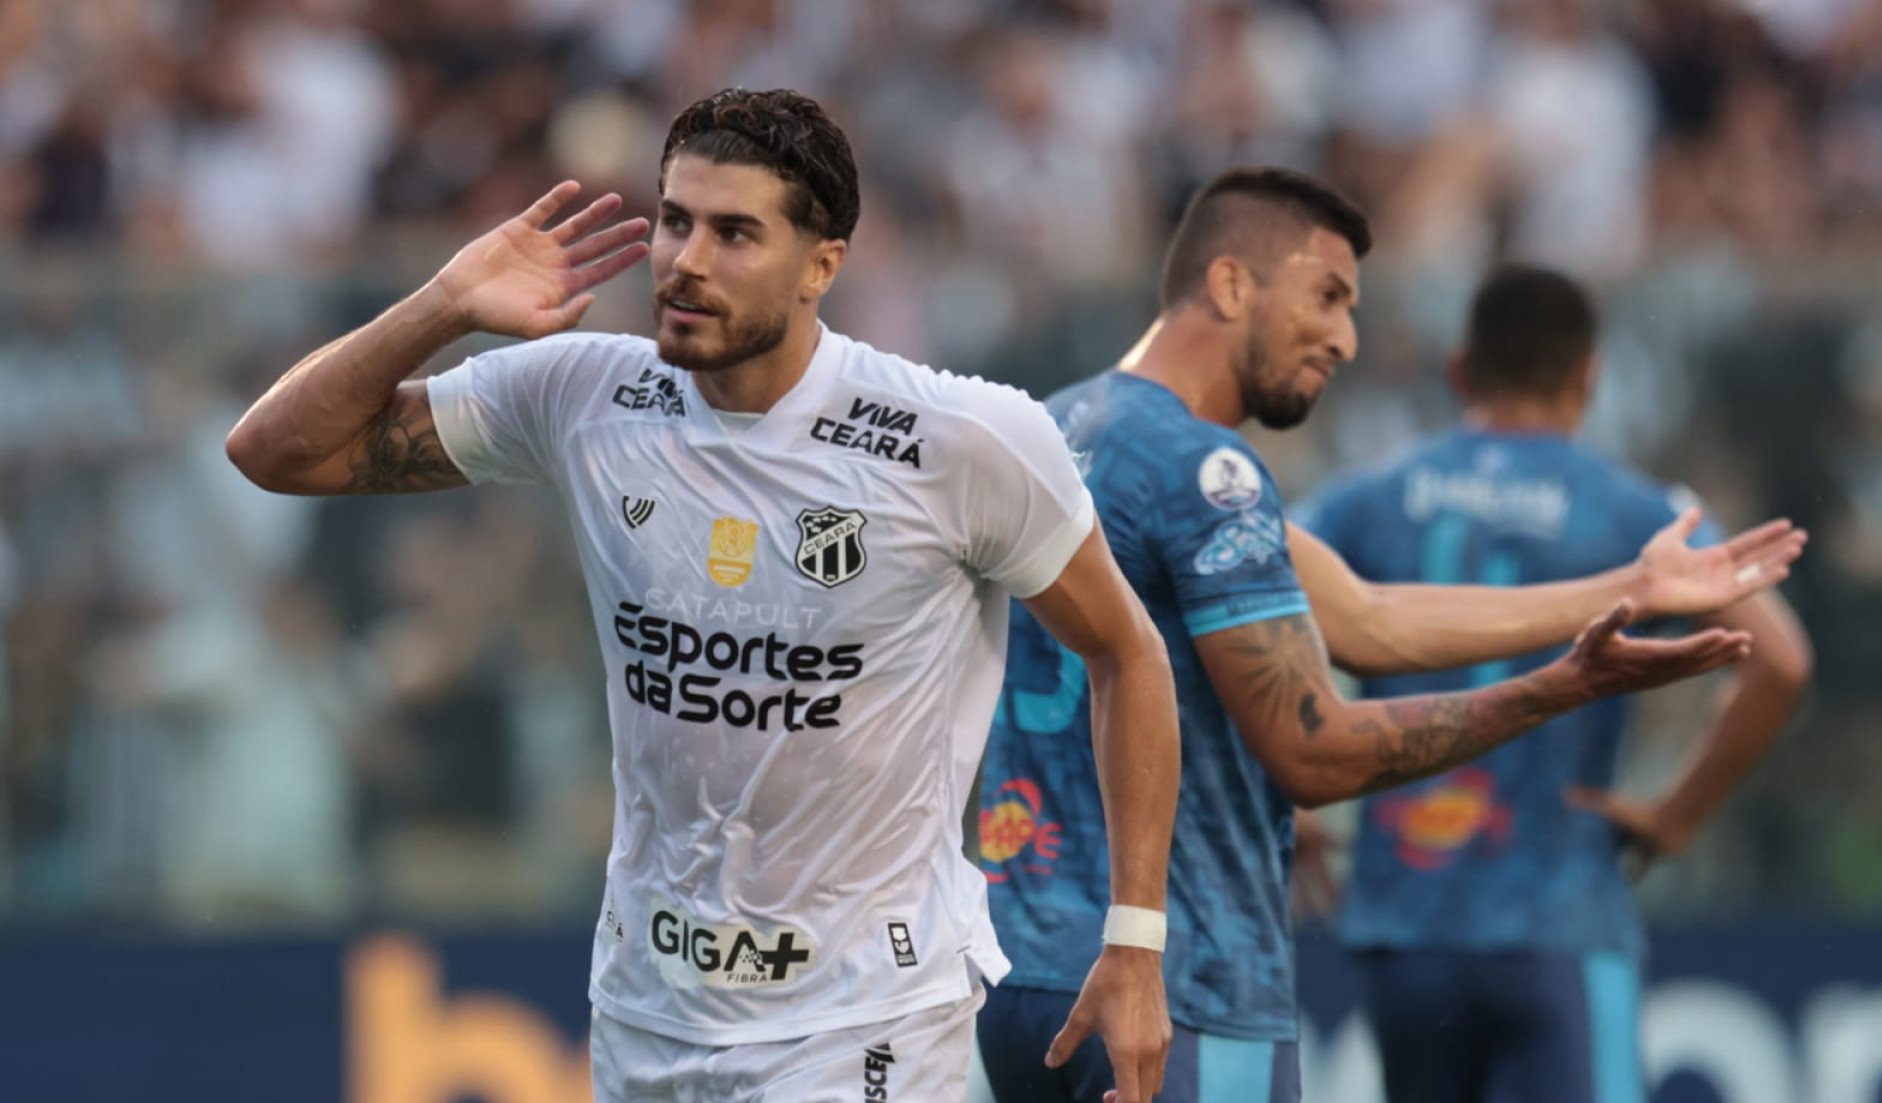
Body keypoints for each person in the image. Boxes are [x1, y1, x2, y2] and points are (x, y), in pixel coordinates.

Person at [226, 88, 1184, 1103]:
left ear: (824, 263)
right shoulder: (584, 393)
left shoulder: (960, 440)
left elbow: (1128, 650)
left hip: (866, 1015)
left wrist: (1134, 941)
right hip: (648, 1008)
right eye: (675, 221)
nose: (686, 260)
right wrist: (445, 305)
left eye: (735, 234)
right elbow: (274, 450)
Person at [972, 168, 1802, 1103]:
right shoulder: (1207, 470)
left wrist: (1631, 588)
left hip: (1022, 973)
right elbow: (1314, 750)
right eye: (1327, 297)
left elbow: (1364, 618)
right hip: (1177, 985)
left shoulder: (1044, 429)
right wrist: (1558, 686)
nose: (1345, 337)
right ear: (1233, 283)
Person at [1296, 265, 1812, 1103]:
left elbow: (1248, 601)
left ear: (1461, 370)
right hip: (1557, 913)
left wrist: (1292, 785)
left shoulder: (1368, 496)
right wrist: (1675, 815)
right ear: (1590, 375)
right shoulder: (1639, 513)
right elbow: (1782, 662)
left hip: (1405, 916)